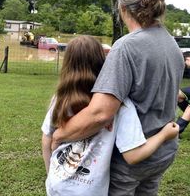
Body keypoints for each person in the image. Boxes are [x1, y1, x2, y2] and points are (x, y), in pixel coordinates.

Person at [50, 0, 184, 196]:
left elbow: (100, 114)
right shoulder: (171, 44)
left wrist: (60, 134)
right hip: (162, 153)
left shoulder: (126, 47)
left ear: (123, 7)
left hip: (132, 159)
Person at [41, 36, 179, 196]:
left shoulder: (60, 99)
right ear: (103, 62)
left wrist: (51, 174)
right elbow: (133, 156)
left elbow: (46, 140)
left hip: (57, 184)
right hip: (91, 190)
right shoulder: (120, 104)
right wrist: (164, 134)